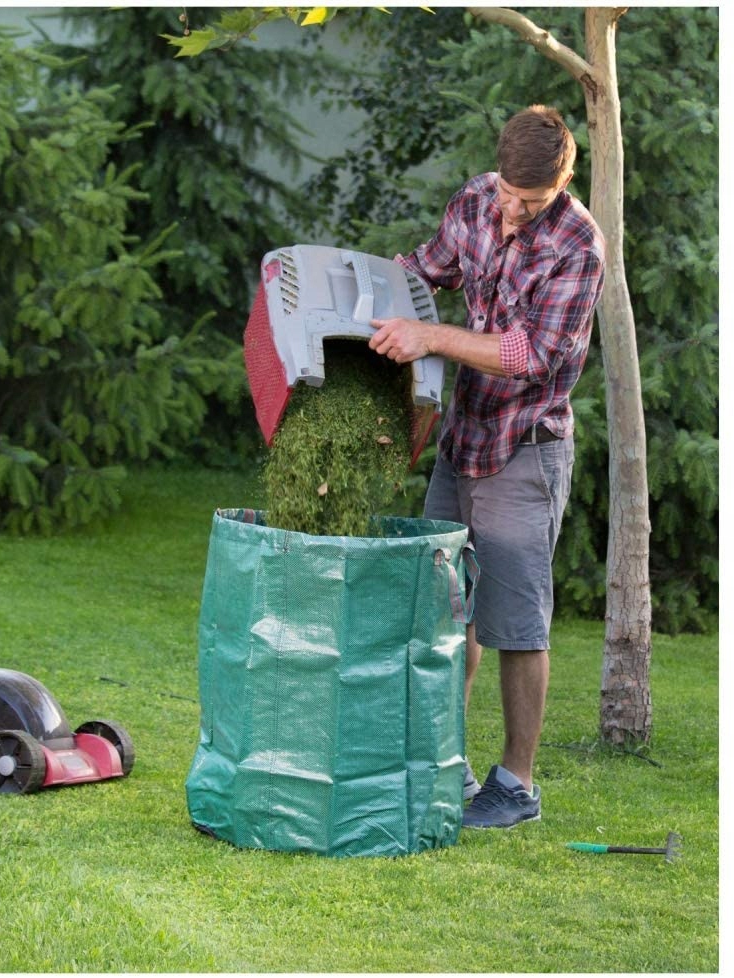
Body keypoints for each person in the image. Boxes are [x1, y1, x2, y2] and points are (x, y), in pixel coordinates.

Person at [369, 104, 606, 829]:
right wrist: (361, 305)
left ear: (562, 183)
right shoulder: (476, 199)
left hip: (524, 449)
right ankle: (445, 761)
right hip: (462, 439)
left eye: (530, 201)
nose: (511, 211)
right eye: (507, 193)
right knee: (445, 608)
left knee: (515, 623)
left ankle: (515, 785)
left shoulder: (577, 245)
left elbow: (531, 354)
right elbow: (423, 269)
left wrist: (431, 337)